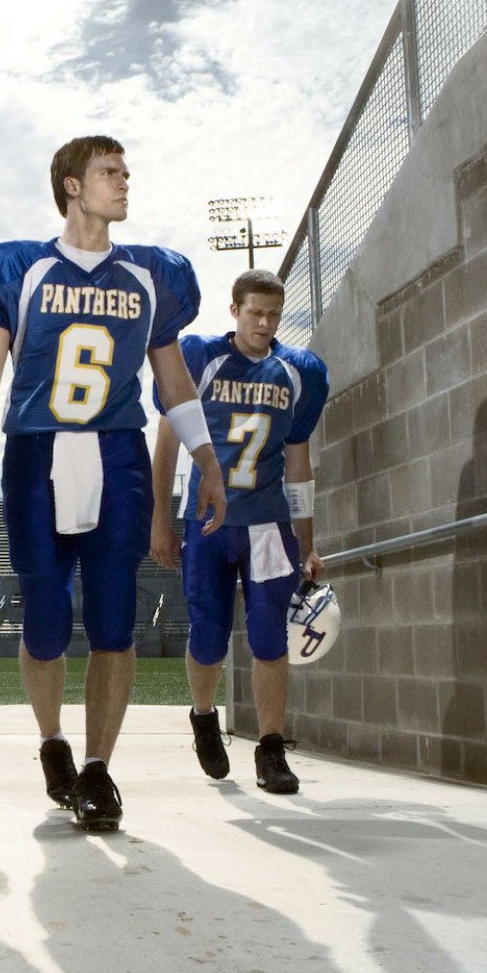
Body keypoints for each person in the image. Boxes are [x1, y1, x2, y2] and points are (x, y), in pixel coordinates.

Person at [0, 135, 227, 831]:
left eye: (127, 170)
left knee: (112, 621)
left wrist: (208, 458)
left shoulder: (152, 275)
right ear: (72, 185)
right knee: (43, 621)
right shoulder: (18, 268)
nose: (124, 181)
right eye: (109, 171)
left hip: (119, 450)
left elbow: (172, 377)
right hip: (38, 449)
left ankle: (99, 767)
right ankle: (52, 742)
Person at [148, 268, 328, 794]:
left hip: (269, 525)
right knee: (208, 633)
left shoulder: (296, 372)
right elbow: (167, 441)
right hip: (208, 521)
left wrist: (309, 542)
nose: (266, 323)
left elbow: (299, 463)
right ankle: (204, 716)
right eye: (256, 313)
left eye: (274, 315)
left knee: (271, 638)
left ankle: (271, 749)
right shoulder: (201, 357)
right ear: (235, 310)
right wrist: (160, 517)